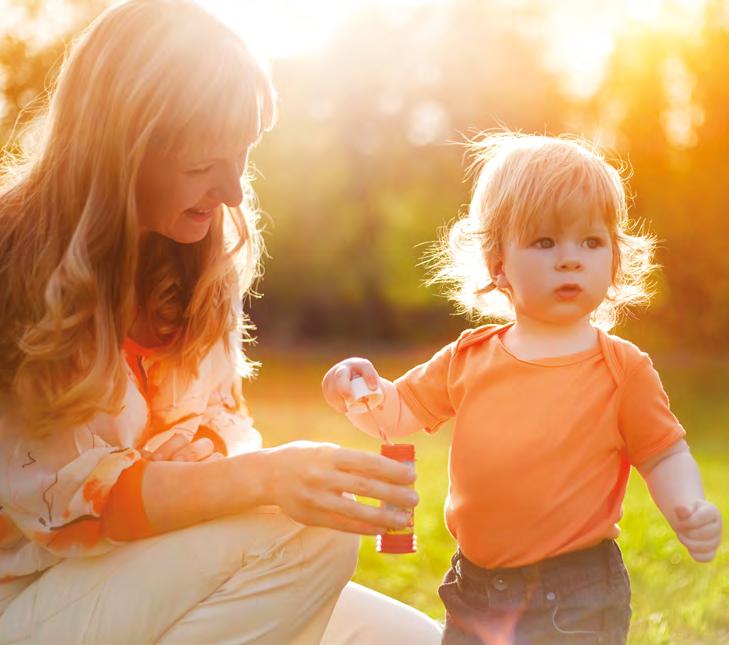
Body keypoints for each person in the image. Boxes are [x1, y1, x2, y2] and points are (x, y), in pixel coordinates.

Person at [0, 1, 443, 642]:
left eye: (241, 154)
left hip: (148, 575)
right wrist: (265, 477)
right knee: (309, 541)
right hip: (30, 600)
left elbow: (217, 441)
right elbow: (73, 506)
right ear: (121, 146)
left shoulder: (197, 263)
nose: (233, 189)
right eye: (203, 164)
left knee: (425, 641)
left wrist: (259, 474)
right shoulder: (19, 265)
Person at [322, 132, 723, 644]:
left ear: (615, 258)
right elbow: (397, 412)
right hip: (475, 588)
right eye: (545, 241)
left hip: (575, 594)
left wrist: (688, 506)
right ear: (498, 264)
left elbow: (664, 453)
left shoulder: (622, 369)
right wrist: (363, 391)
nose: (571, 258)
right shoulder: (469, 358)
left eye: (591, 241)